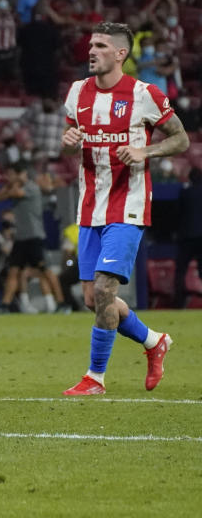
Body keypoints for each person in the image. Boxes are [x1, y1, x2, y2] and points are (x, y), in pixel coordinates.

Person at [60, 21, 188, 396]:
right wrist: (68, 142)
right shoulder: (77, 93)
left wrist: (144, 151)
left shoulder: (144, 93)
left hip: (128, 205)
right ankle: (152, 341)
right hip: (89, 208)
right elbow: (70, 145)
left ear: (120, 54)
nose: (91, 51)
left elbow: (180, 139)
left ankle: (95, 378)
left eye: (101, 45)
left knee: (103, 289)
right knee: (93, 299)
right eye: (90, 45)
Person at [0, 162, 63, 313]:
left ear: (20, 174)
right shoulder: (16, 187)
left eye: (11, 174)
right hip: (20, 238)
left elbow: (14, 193)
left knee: (46, 271)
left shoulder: (31, 187)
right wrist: (12, 183)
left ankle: (62, 303)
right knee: (13, 271)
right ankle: (5, 304)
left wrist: (15, 182)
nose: (8, 177)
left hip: (34, 236)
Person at [174, 167, 202, 309]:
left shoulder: (185, 192)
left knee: (180, 271)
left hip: (187, 238)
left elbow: (178, 215)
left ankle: (178, 304)